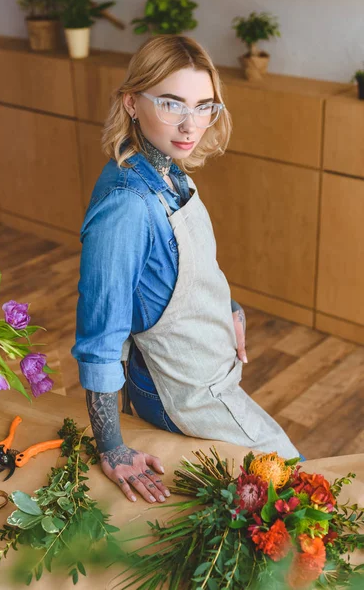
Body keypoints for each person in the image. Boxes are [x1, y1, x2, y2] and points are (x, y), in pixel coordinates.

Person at [71, 35, 300, 506]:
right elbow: (100, 342)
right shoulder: (127, 205)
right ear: (132, 102)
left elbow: (181, 267)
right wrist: (111, 448)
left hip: (210, 368)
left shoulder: (169, 170)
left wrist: (227, 305)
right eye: (172, 104)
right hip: (184, 392)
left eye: (204, 106)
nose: (190, 124)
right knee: (297, 486)